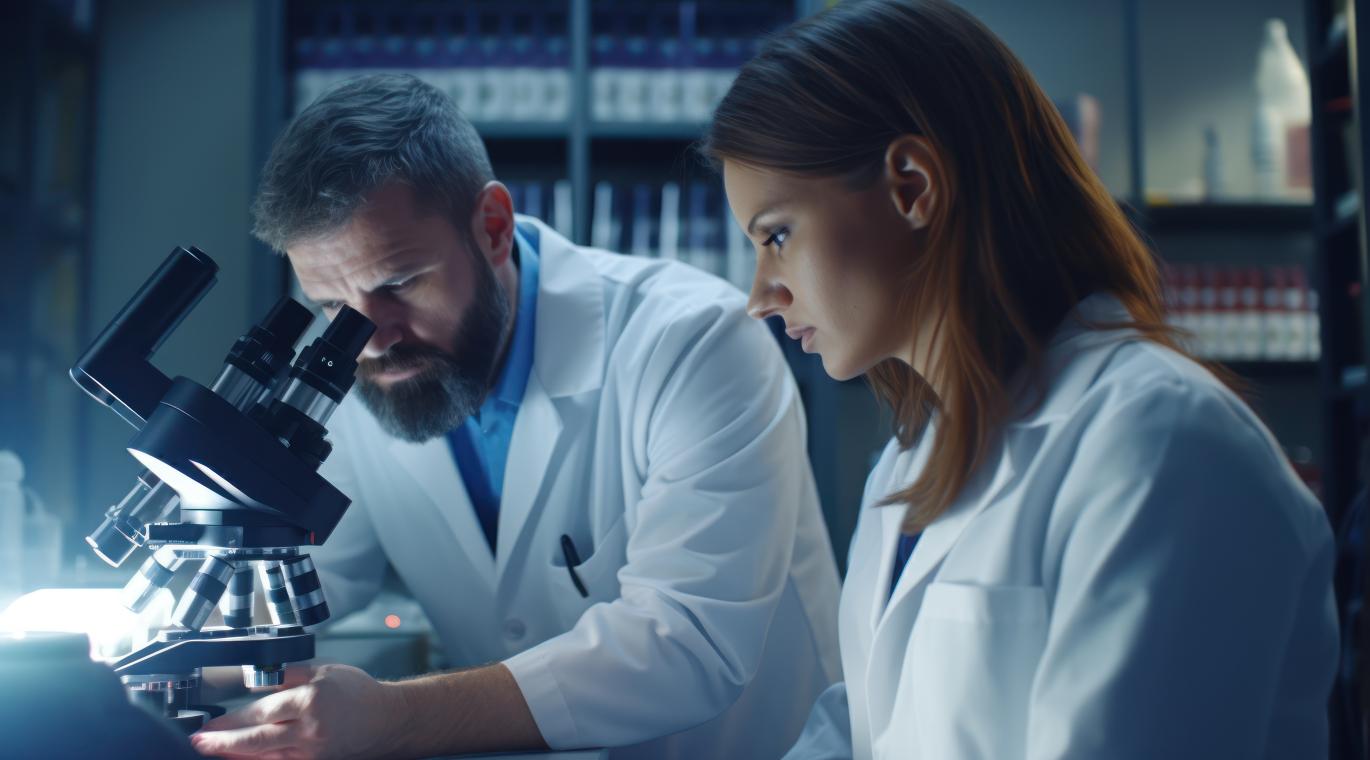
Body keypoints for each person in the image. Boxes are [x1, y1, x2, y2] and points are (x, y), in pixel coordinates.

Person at [702, 1, 1339, 758]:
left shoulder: (1165, 445)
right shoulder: (909, 462)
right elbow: (872, 725)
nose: (759, 294)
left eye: (777, 235)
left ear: (912, 186)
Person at [189, 73, 841, 760]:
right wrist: (152, 650)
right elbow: (317, 574)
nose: (371, 338)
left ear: (492, 228)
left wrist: (394, 718)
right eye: (331, 306)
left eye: (400, 284)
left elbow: (685, 644)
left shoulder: (693, 339)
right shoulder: (351, 361)